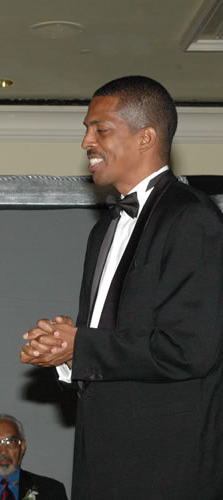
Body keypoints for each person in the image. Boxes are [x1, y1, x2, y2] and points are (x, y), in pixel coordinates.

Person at [20, 76, 223, 499]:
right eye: (86, 129)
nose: (86, 142)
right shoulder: (104, 231)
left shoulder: (192, 219)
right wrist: (62, 351)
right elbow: (109, 340)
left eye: (100, 129)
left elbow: (191, 348)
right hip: (103, 451)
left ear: (145, 137)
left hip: (166, 460)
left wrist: (82, 346)